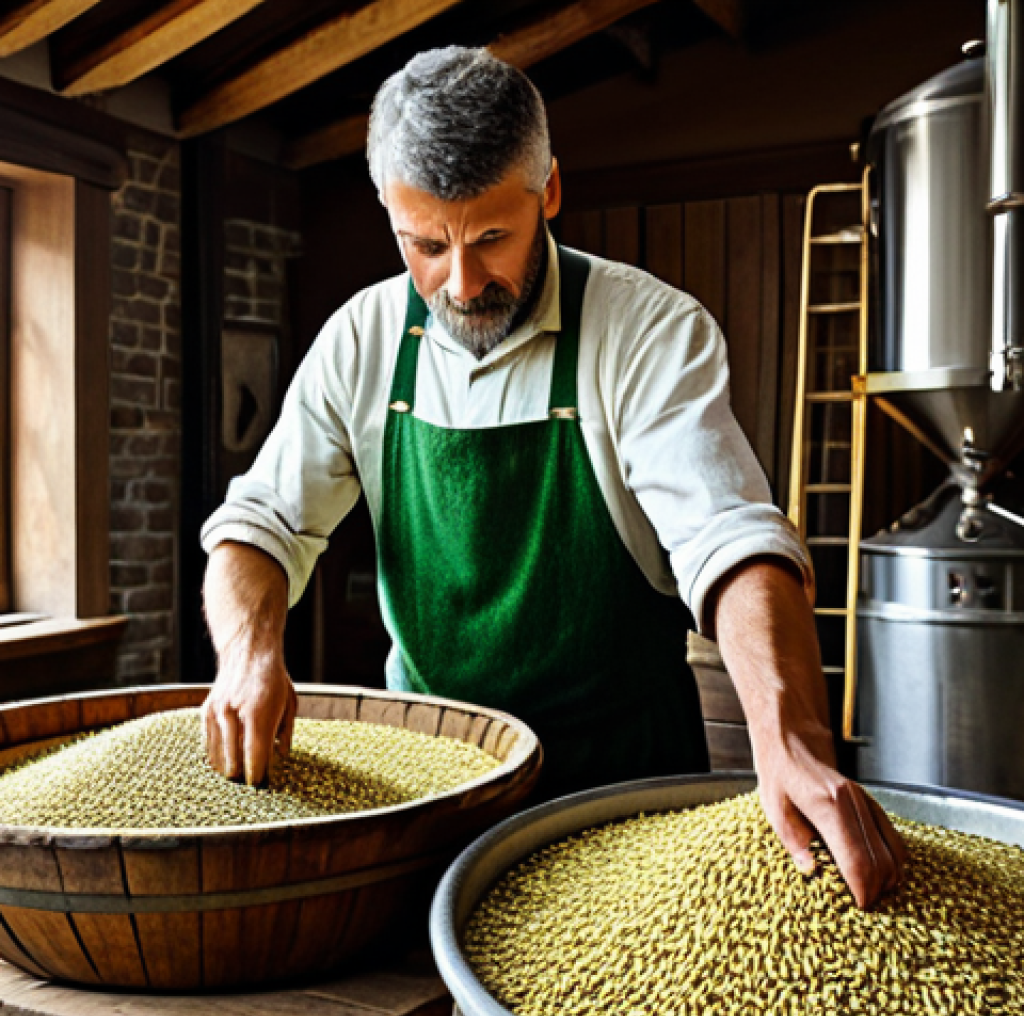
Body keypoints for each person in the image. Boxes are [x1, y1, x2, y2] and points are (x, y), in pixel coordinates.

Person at [200, 46, 905, 908]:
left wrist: (790, 735)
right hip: (434, 785)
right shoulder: (362, 340)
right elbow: (260, 525)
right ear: (391, 214)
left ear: (550, 194)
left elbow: (730, 538)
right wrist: (247, 657)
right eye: (425, 245)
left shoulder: (645, 330)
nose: (459, 284)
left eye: (492, 237)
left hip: (623, 792)